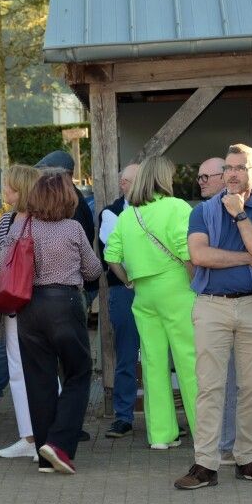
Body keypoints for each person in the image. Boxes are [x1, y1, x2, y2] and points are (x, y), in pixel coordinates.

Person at [175, 144, 252, 491]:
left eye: (240, 168)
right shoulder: (203, 211)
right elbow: (200, 255)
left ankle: (247, 459)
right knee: (209, 388)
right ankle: (205, 465)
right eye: (229, 168)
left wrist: (239, 215)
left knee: (251, 388)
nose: (232, 174)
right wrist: (248, 259)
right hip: (211, 305)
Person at [0, 171, 104, 474]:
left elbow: (3, 263)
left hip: (29, 308)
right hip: (64, 304)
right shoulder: (73, 228)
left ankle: (44, 457)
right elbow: (93, 270)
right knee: (78, 372)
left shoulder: (21, 226)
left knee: (39, 380)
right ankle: (58, 445)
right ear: (66, 198)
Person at [104, 156, 199, 451]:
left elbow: (111, 256)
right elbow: (187, 252)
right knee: (189, 362)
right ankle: (204, 432)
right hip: (178, 290)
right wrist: (195, 283)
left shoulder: (128, 215)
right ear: (163, 178)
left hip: (143, 294)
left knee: (152, 364)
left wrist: (129, 281)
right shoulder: (177, 207)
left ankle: (160, 435)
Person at [0, 164, 42, 456]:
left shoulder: (25, 221)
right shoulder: (12, 220)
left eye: (9, 185)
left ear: (21, 189)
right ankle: (32, 436)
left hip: (28, 301)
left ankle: (39, 437)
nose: (4, 190)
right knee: (22, 368)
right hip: (20, 301)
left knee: (32, 368)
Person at [97, 163, 142, 438]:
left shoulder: (156, 209)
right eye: (127, 181)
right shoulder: (110, 213)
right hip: (125, 290)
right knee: (126, 354)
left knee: (159, 355)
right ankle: (123, 416)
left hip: (152, 288)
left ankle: (165, 417)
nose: (127, 185)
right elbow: (115, 255)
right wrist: (128, 279)